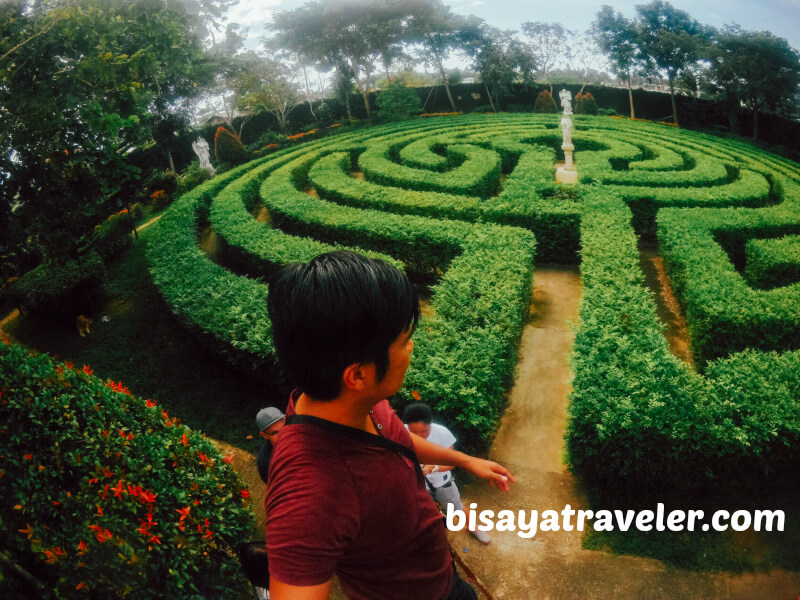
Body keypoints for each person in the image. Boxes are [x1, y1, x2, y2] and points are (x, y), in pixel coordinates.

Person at [265, 250, 515, 600]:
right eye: (402, 340)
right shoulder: (312, 491)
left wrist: (466, 460)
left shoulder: (358, 402)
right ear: (358, 374)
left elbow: (397, 437)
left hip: (443, 580)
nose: (411, 347)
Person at [403, 402, 491, 545]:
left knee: (456, 507)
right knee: (426, 509)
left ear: (431, 423)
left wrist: (434, 467)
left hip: (442, 482)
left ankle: (472, 527)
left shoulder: (442, 433)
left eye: (424, 432)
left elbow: (451, 463)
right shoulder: (400, 431)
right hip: (417, 483)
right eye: (414, 432)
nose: (420, 436)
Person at [255, 407, 285, 485]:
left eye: (284, 428)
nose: (282, 435)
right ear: (264, 435)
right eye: (275, 433)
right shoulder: (266, 463)